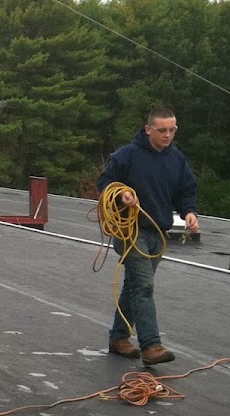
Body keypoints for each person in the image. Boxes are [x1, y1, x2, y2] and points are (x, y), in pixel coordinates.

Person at [98, 107, 198, 365]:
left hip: (158, 233)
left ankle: (118, 338)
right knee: (144, 287)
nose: (168, 135)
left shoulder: (177, 160)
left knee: (134, 286)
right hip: (131, 231)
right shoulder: (127, 155)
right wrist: (121, 194)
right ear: (148, 129)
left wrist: (189, 212)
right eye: (162, 130)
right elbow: (105, 183)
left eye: (172, 130)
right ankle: (151, 346)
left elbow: (186, 190)